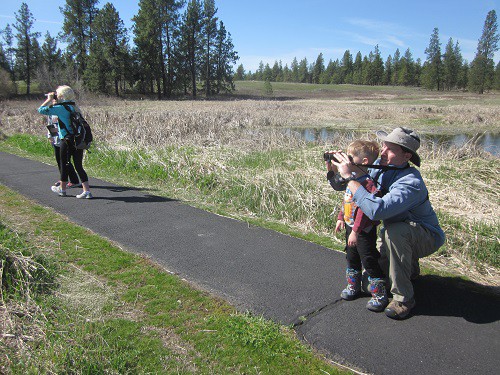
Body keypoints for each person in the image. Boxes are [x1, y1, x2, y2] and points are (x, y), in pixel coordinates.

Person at [330, 127, 445, 320]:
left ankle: (403, 299)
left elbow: (376, 210)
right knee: (369, 285)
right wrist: (339, 166)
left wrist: (350, 177)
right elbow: (351, 186)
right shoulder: (381, 166)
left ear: (406, 155)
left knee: (395, 231)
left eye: (390, 149)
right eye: (383, 146)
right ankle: (410, 269)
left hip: (426, 236)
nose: (382, 152)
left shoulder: (411, 182)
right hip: (396, 236)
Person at [327, 140, 388, 312]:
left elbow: (363, 211)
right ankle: (353, 286)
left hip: (362, 230)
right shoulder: (351, 180)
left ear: (364, 162)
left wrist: (355, 231)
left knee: (368, 259)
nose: (346, 160)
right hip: (350, 226)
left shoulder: (367, 184)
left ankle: (379, 294)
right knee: (351, 257)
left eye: (351, 157)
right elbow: (346, 200)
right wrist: (341, 217)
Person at [38, 85, 93, 199]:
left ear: (61, 96)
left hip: (66, 140)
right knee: (78, 166)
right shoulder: (74, 106)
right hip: (78, 140)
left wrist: (49, 99)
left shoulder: (60, 108)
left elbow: (41, 110)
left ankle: (62, 190)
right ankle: (87, 191)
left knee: (64, 164)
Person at [46, 114, 80, 188]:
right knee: (59, 160)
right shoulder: (51, 112)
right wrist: (50, 136)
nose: (54, 101)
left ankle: (74, 180)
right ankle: (63, 179)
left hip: (65, 139)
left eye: (55, 101)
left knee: (66, 161)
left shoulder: (63, 110)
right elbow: (50, 124)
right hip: (56, 138)